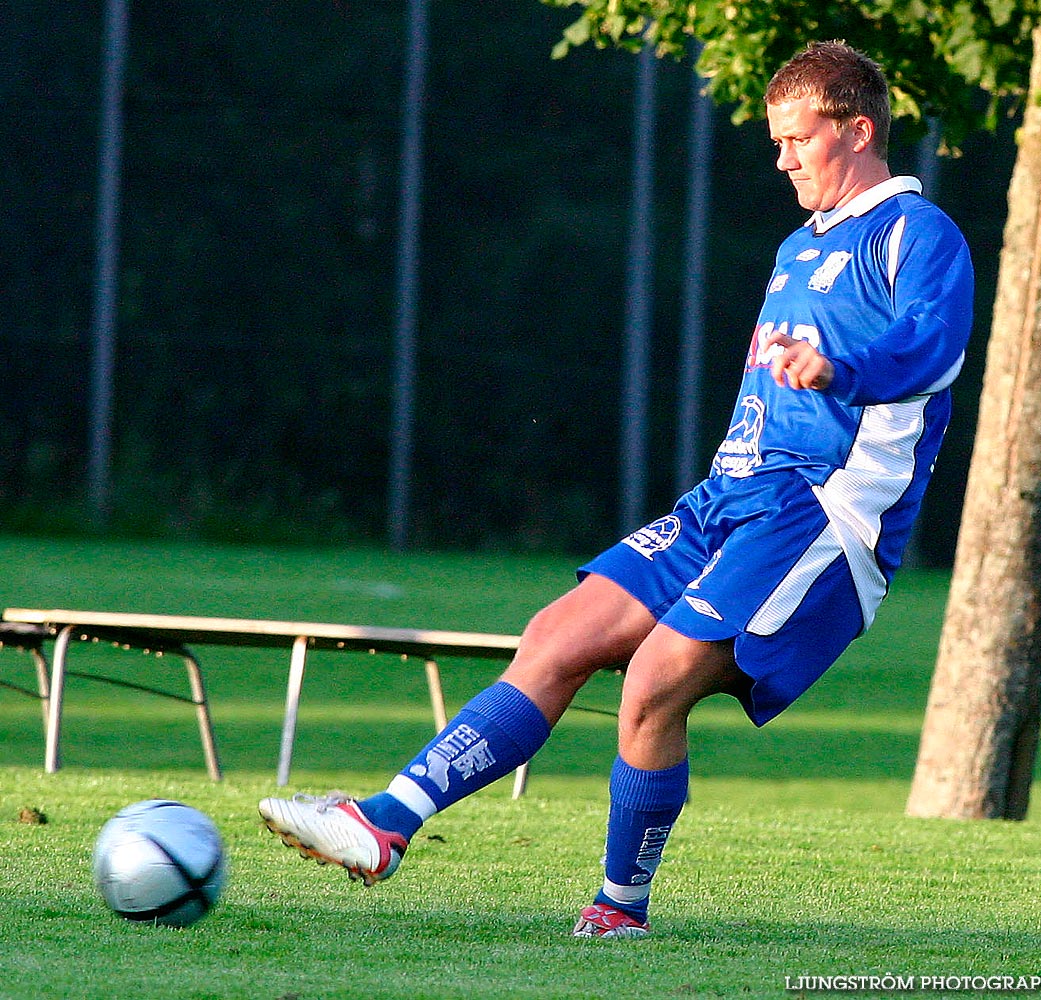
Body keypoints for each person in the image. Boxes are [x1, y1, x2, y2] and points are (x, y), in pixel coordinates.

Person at [258, 40, 974, 938]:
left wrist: (837, 368)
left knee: (652, 683)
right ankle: (383, 824)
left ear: (858, 130)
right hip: (729, 498)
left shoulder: (917, 233)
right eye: (776, 140)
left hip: (821, 515)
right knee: (557, 637)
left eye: (799, 138)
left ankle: (617, 909)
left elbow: (935, 349)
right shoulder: (799, 245)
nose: (782, 157)